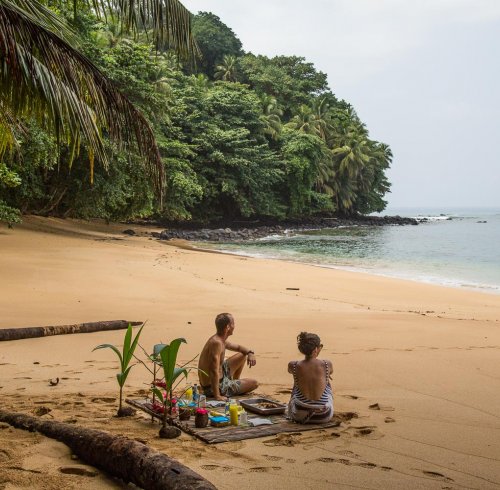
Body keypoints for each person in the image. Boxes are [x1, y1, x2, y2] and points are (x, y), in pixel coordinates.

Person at [198, 313, 258, 400]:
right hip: (213, 387)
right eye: (233, 323)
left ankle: (235, 382)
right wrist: (217, 396)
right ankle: (231, 387)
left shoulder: (221, 339)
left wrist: (250, 353)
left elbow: (239, 348)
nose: (235, 326)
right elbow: (213, 371)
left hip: (222, 375)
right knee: (254, 383)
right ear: (228, 327)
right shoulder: (216, 343)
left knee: (242, 355)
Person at [287, 332, 334, 423]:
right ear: (316, 349)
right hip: (324, 415)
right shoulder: (327, 364)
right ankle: (319, 405)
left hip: (299, 415)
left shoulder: (293, 365)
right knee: (327, 382)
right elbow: (330, 372)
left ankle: (304, 405)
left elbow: (290, 371)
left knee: (296, 380)